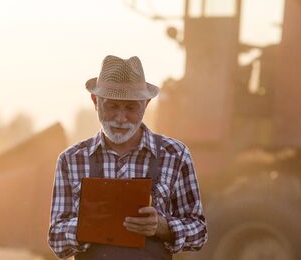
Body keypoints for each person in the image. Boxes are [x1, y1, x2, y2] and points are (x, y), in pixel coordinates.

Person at [48, 55, 207, 259]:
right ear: (95, 101)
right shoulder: (71, 160)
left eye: (131, 108)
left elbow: (199, 232)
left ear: (146, 103)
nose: (121, 118)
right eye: (112, 106)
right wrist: (88, 225)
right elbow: (56, 239)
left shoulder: (176, 155)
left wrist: (163, 226)